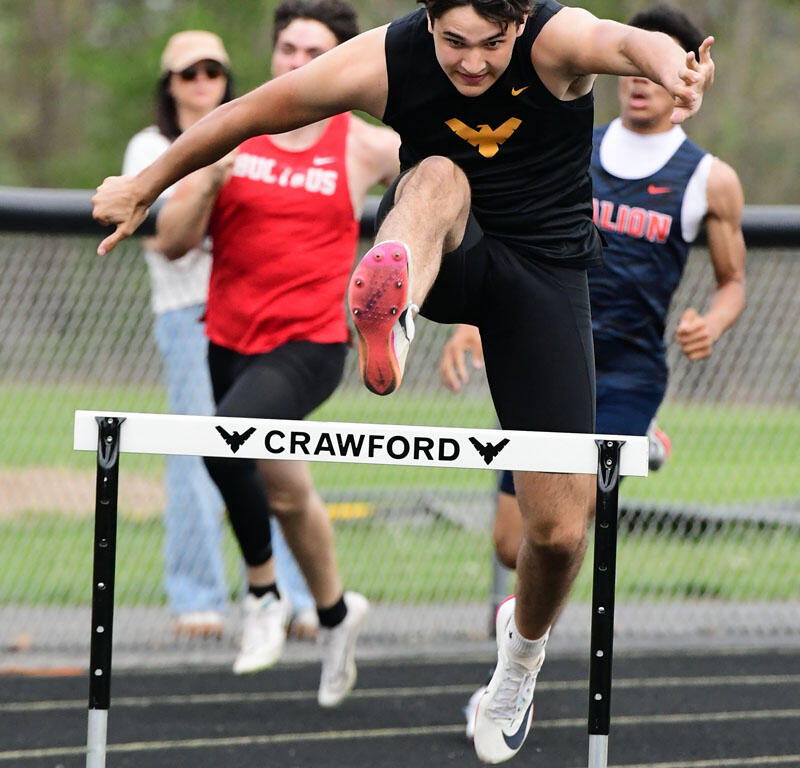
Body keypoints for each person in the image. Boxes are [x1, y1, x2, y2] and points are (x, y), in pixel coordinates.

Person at [91, 0, 714, 760]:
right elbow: (251, 111)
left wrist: (672, 68)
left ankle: (517, 663)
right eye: (454, 43)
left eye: (492, 45)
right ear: (428, 22)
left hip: (544, 286)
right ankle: (395, 307)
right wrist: (145, 182)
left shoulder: (557, 39)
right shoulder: (385, 58)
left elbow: (627, 40)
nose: (474, 63)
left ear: (520, 26)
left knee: (557, 532)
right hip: (446, 247)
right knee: (437, 175)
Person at [437, 3, 745, 740]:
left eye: (655, 71)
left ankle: (509, 678)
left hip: (629, 369)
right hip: (541, 352)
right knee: (514, 544)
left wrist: (714, 319)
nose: (639, 84)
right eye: (632, 68)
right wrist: (472, 328)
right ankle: (634, 459)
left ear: (680, 82)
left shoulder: (709, 180)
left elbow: (732, 279)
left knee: (566, 533)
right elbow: (503, 243)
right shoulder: (571, 146)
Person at [151, 0, 401, 705]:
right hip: (228, 339)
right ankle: (334, 612)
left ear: (340, 62)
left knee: (223, 442)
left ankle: (260, 593)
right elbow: (170, 243)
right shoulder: (231, 132)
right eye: (287, 49)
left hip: (311, 344)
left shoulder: (365, 145)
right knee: (288, 493)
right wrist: (207, 177)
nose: (297, 64)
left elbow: (448, 194)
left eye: (312, 52)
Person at [122, 30, 235, 638]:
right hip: (189, 310)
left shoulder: (253, 132)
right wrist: (215, 167)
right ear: (169, 84)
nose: (201, 82)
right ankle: (198, 596)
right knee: (194, 455)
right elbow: (168, 237)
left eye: (212, 71)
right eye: (188, 73)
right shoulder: (150, 146)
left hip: (253, 310)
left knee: (275, 452)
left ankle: (292, 598)